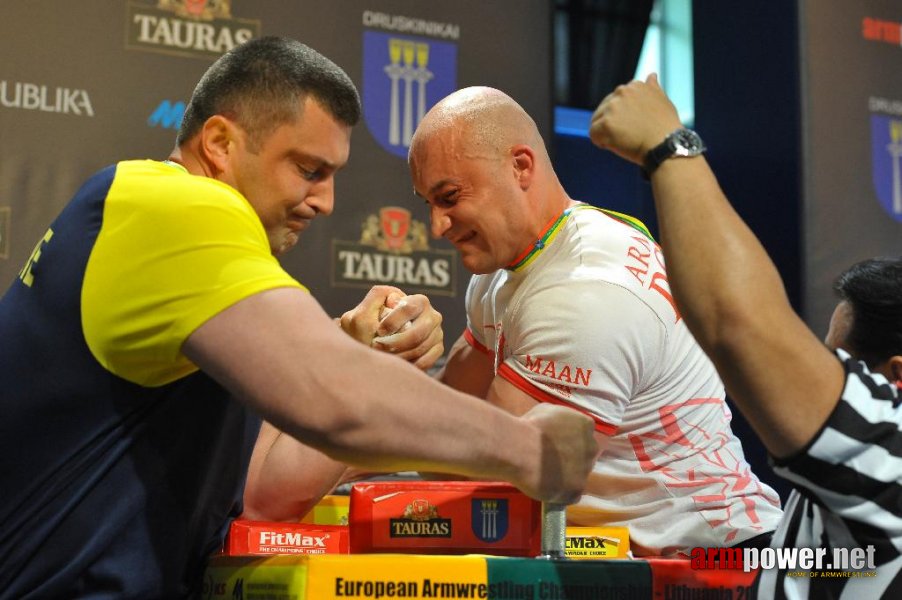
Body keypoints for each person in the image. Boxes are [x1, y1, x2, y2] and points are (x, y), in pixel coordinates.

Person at [0, 37, 598, 598]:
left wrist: (369, 358)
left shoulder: (179, 269)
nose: (327, 201)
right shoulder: (173, 206)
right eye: (309, 170)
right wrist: (527, 448)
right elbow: (331, 398)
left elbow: (264, 494)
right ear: (220, 143)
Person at [405, 86, 783, 557]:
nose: (437, 225)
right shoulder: (509, 268)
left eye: (450, 196)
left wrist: (358, 391)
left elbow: (477, 469)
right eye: (428, 203)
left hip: (714, 560)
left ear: (521, 167)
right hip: (634, 561)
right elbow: (452, 410)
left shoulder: (581, 295)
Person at [590, 74, 901, 597]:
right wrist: (697, 557)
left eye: (838, 368)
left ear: (895, 378)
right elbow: (835, 559)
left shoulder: (890, 460)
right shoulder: (861, 486)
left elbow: (734, 323)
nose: (812, 378)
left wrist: (668, 146)